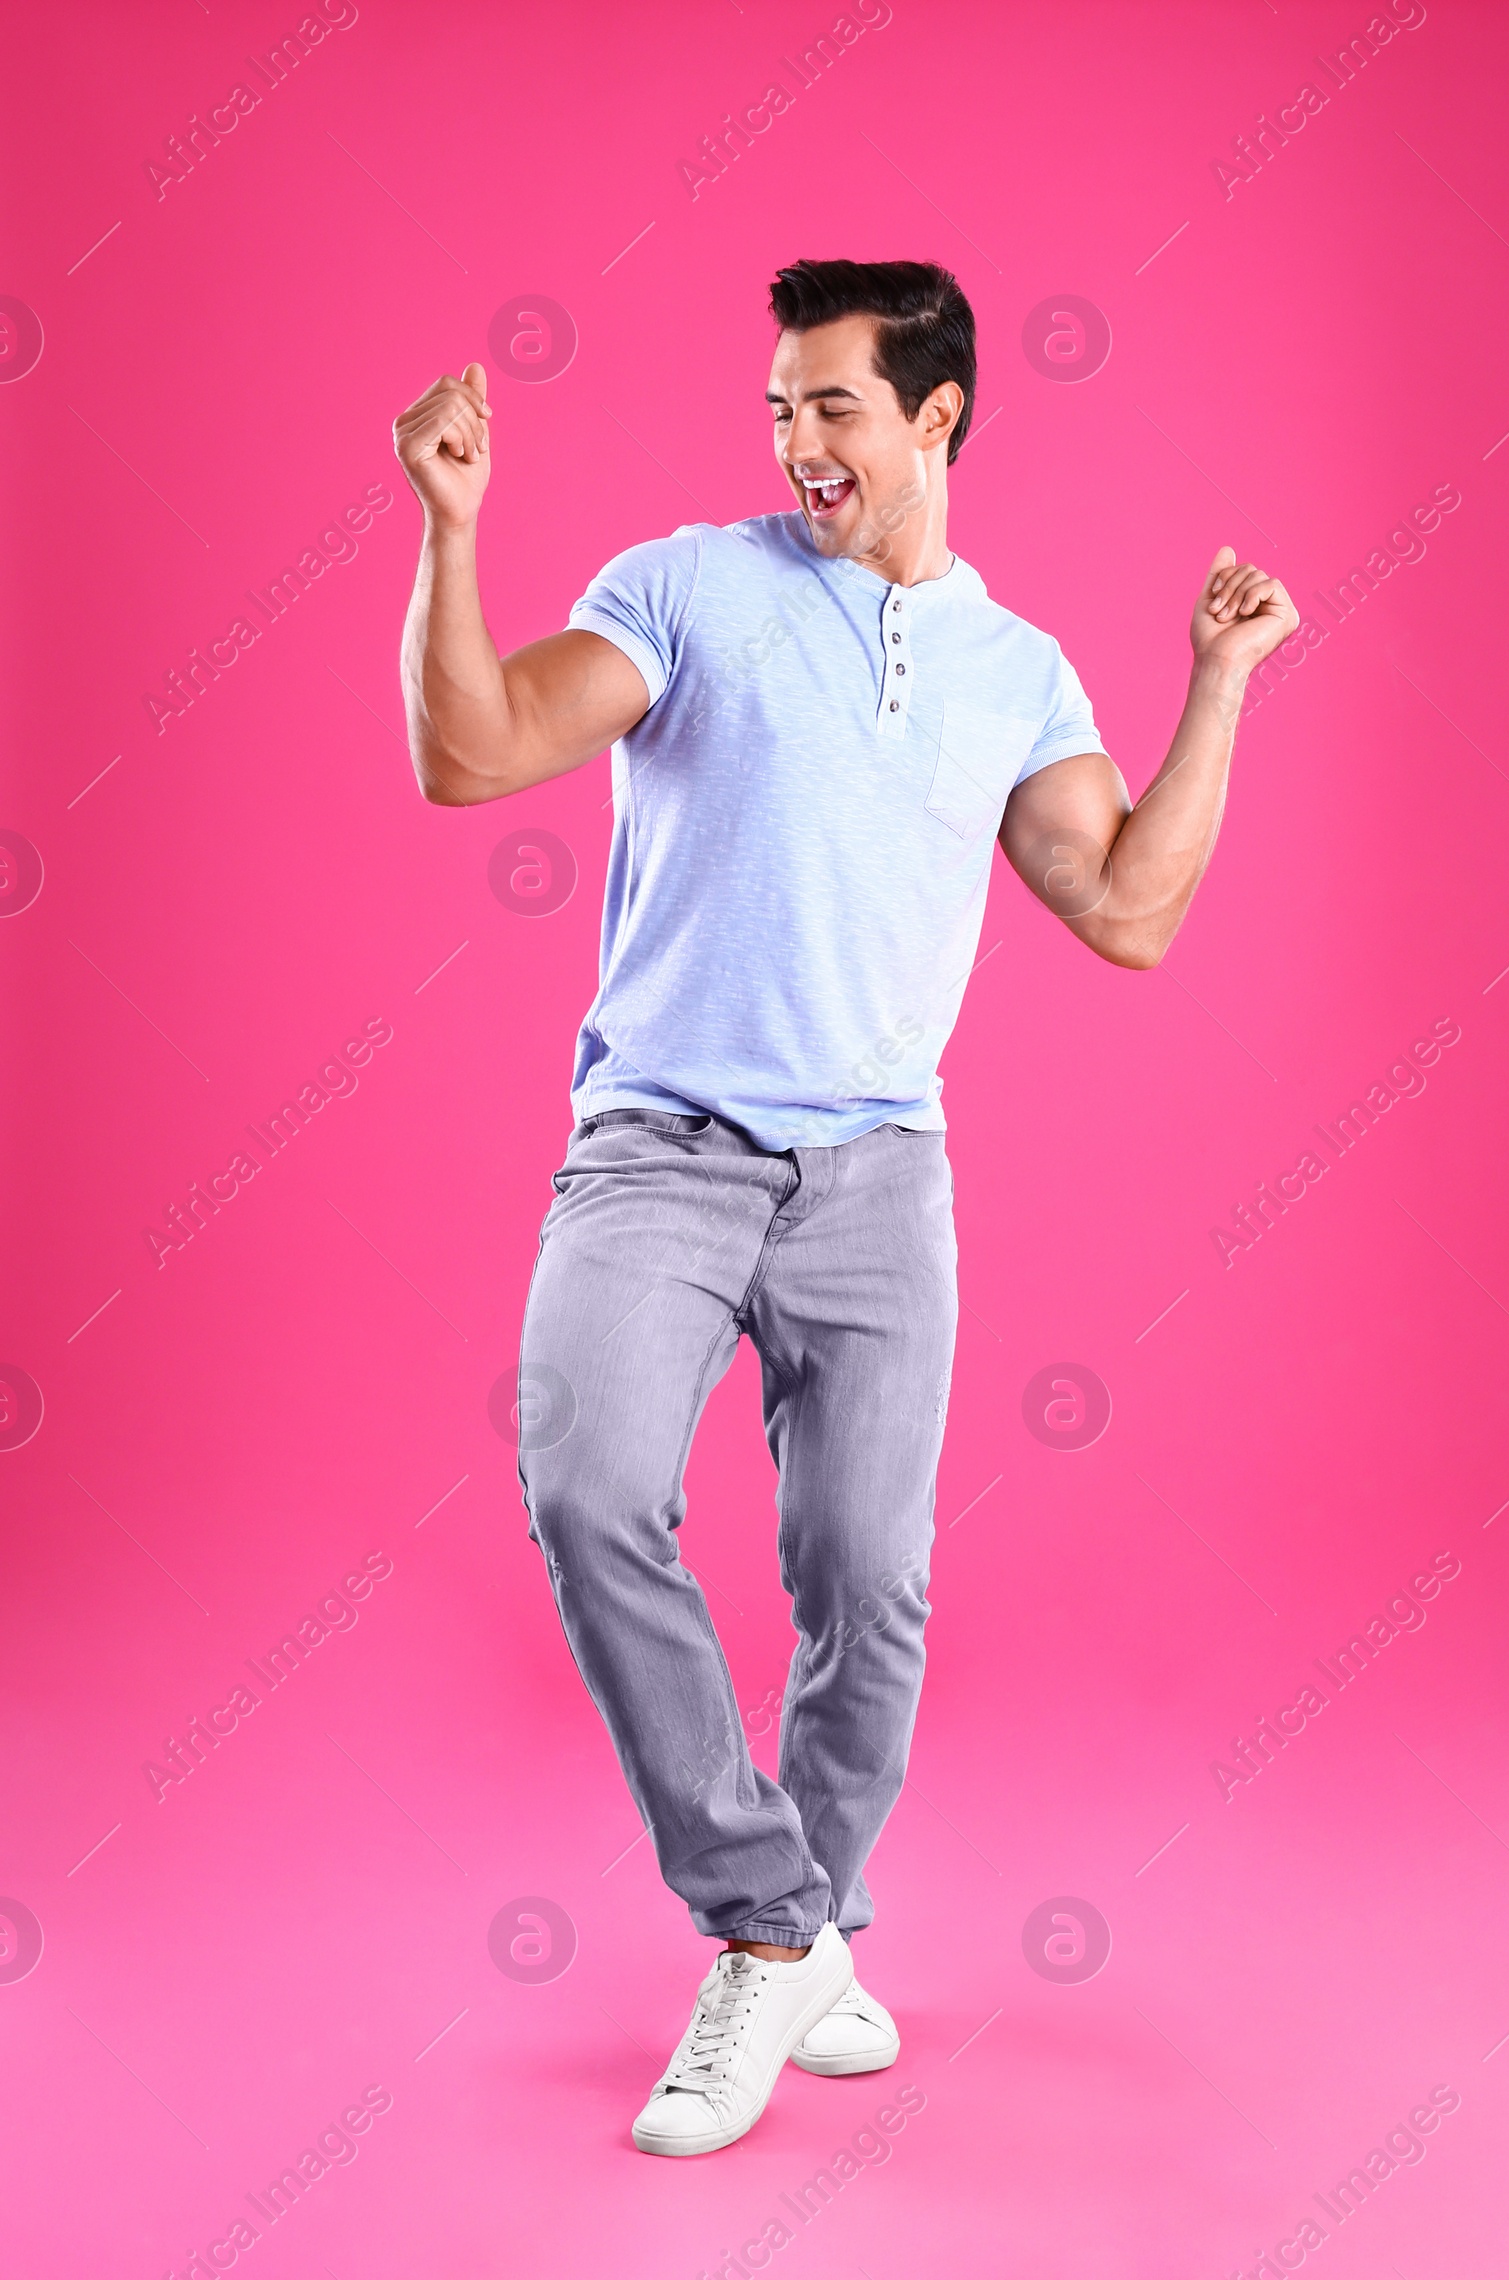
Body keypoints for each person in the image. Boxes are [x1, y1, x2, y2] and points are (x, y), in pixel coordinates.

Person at [392, 258, 1298, 2157]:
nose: (798, 444)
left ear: (936, 415)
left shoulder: (1012, 670)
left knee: (867, 1586)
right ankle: (770, 1921)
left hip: (882, 1173)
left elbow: (1129, 908)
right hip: (659, 1142)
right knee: (582, 1480)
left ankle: (811, 1925)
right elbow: (471, 749)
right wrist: (451, 537)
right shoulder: (694, 591)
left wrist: (1215, 684)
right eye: (780, 409)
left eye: (834, 410)